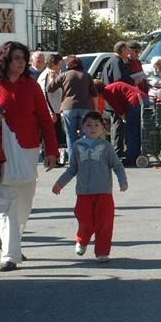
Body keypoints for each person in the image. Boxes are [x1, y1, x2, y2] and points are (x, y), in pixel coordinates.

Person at [0, 41, 59, 272]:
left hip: (28, 150)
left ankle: (14, 243)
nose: (20, 63)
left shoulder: (31, 87)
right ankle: (9, 255)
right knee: (5, 200)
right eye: (16, 58)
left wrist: (51, 150)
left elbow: (45, 121)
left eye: (23, 58)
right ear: (5, 59)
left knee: (24, 203)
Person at [52, 110, 127, 262]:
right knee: (85, 221)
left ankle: (102, 252)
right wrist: (60, 183)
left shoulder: (106, 147)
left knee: (105, 223)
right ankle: (82, 240)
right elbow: (72, 169)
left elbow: (117, 166)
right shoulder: (77, 146)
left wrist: (122, 180)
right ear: (81, 129)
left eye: (96, 125)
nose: (92, 128)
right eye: (88, 125)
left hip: (104, 192)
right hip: (84, 194)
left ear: (103, 128)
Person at [93, 79, 150, 167]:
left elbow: (117, 108)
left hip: (135, 103)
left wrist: (124, 118)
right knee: (138, 130)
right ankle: (136, 154)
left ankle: (131, 158)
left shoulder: (106, 92)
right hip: (144, 99)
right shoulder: (112, 86)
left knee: (130, 132)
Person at [47, 56, 98, 154]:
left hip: (68, 108)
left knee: (70, 135)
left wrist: (52, 78)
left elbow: (50, 88)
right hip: (85, 107)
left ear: (70, 65)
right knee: (85, 134)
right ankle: (85, 157)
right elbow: (94, 94)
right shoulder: (87, 75)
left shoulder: (64, 75)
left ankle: (72, 159)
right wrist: (95, 109)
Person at [101, 41, 134, 158]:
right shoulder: (117, 61)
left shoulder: (111, 60)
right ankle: (116, 151)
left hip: (111, 98)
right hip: (116, 99)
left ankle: (116, 150)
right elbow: (119, 79)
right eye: (127, 49)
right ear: (122, 50)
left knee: (117, 124)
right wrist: (132, 81)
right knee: (118, 125)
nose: (129, 51)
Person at [38, 54, 66, 164]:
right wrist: (51, 112)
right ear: (54, 64)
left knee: (57, 137)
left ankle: (57, 158)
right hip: (51, 111)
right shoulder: (46, 75)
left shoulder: (55, 74)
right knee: (50, 137)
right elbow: (44, 94)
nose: (61, 66)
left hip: (57, 109)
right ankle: (50, 159)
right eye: (60, 64)